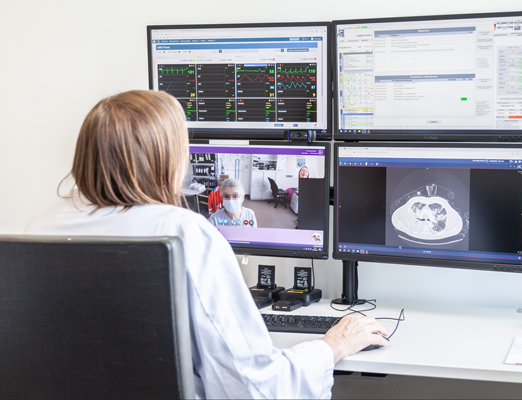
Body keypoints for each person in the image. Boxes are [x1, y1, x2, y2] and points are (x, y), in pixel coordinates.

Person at [24, 90, 389, 399]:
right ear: (166, 159)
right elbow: (250, 386)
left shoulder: (40, 228)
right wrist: (335, 345)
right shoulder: (183, 231)